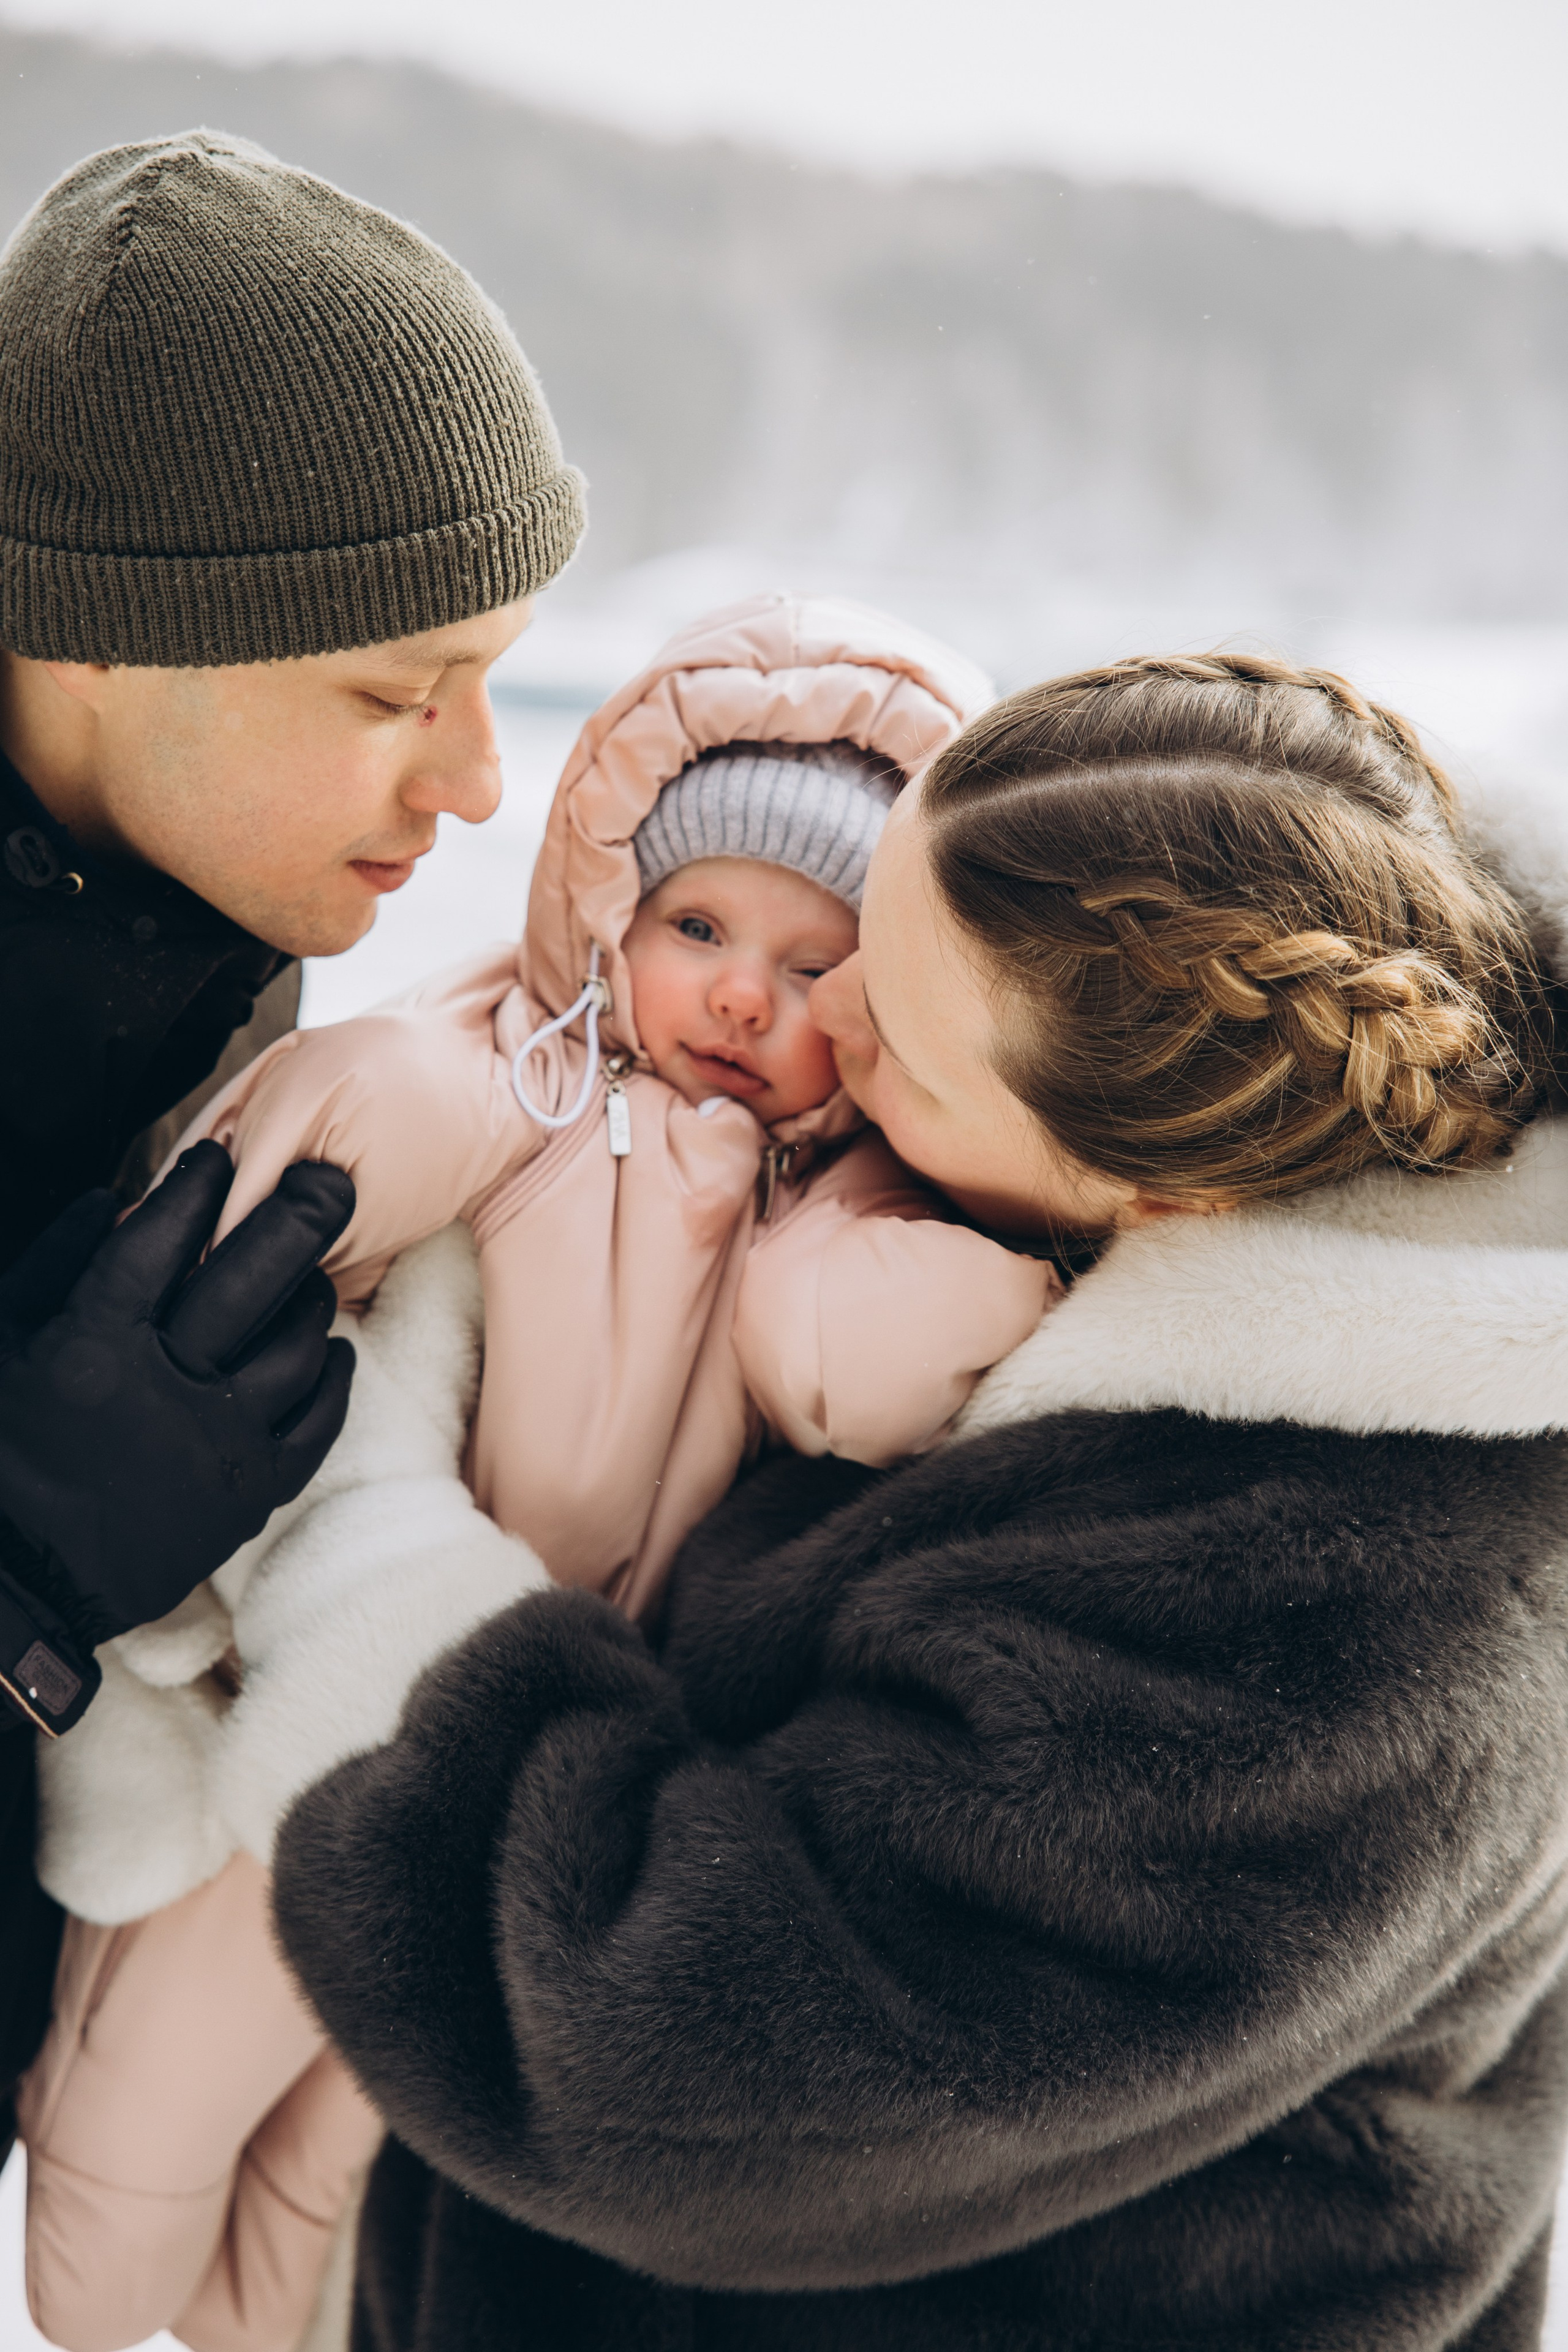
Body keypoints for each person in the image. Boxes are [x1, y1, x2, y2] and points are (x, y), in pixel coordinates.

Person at [270, 653, 1567, 2348]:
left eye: (908, 1053)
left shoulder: (1329, 1640)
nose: (829, 1015)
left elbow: (649, 2051)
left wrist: (363, 1572)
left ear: (1148, 1182)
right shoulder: (1192, 1083)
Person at [19, 594, 1063, 2352]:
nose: (743, 990)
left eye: (818, 971)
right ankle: (82, 2292)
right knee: (152, 2094)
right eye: (701, 923)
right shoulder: (540, 1075)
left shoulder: (852, 1199)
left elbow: (850, 1365)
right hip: (325, 1730)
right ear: (613, 913)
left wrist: (972, 1251)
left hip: (547, 1781)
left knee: (361, 2135)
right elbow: (395, 1105)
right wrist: (316, 1139)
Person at [0, 123, 584, 2162]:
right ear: (86, 629)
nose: (484, 782)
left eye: (493, 683)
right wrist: (29, 1563)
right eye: (393, 689)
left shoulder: (188, 944)